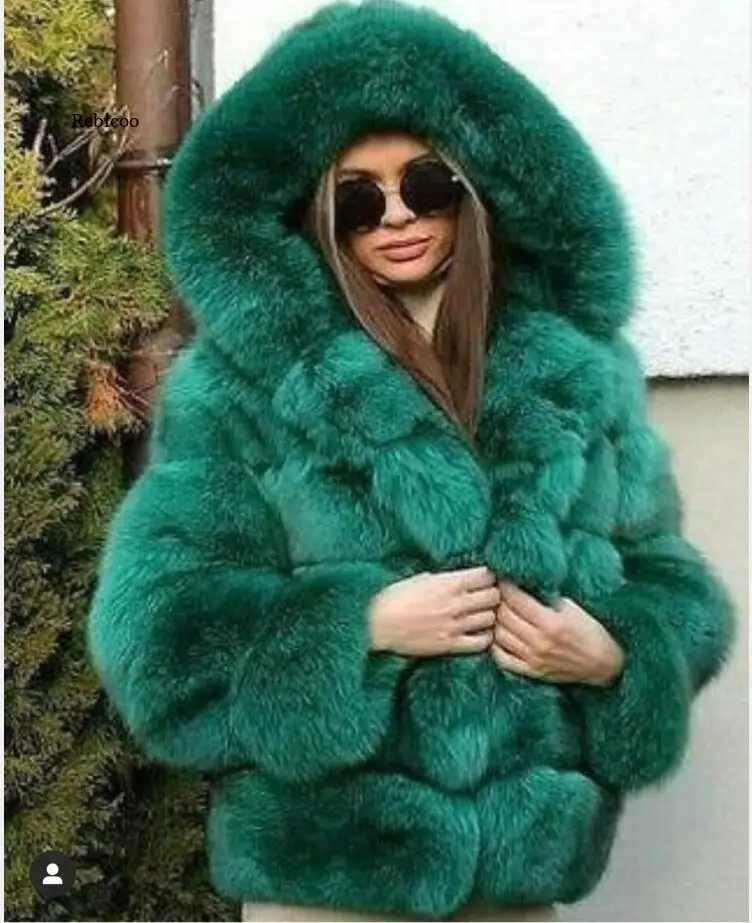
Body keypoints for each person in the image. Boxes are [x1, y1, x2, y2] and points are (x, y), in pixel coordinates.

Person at [85, 2, 737, 922]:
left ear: (474, 190)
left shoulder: (579, 377)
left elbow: (672, 583)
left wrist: (617, 655)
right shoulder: (241, 389)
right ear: (319, 213)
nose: (395, 216)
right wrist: (362, 624)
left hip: (516, 879)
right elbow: (156, 638)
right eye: (358, 197)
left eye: (426, 184)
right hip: (330, 881)